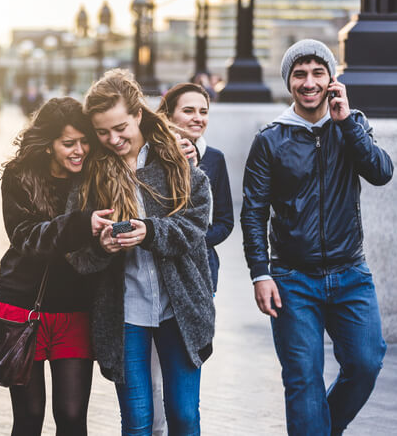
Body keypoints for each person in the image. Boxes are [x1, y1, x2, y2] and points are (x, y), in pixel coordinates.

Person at [241, 39, 393, 435]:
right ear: (289, 81)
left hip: (350, 274)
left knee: (365, 363)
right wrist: (261, 273)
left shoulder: (351, 124)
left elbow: (381, 172)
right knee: (303, 380)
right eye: (300, 74)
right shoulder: (270, 140)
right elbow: (253, 212)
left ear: (331, 79)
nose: (309, 82)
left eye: (317, 73)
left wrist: (346, 123)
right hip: (292, 280)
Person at [72, 69, 214, 436]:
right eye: (102, 132)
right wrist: (101, 247)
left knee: (183, 415)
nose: (113, 139)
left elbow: (196, 223)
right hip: (125, 311)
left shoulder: (175, 156)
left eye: (120, 128)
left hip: (179, 306)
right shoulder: (92, 172)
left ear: (137, 113)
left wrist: (150, 231)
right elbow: (75, 249)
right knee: (137, 421)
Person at [0, 97, 112, 436]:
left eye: (85, 141)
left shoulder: (97, 176)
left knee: (72, 418)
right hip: (23, 308)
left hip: (74, 310)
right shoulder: (20, 176)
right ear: (48, 145)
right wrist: (80, 225)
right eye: (68, 143)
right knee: (29, 417)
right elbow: (25, 237)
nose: (80, 150)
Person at [158, 83, 233, 292]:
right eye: (188, 111)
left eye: (204, 112)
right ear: (168, 115)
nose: (198, 118)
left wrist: (191, 241)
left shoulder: (215, 158)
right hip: (160, 268)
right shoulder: (150, 156)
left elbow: (225, 222)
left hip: (202, 268)